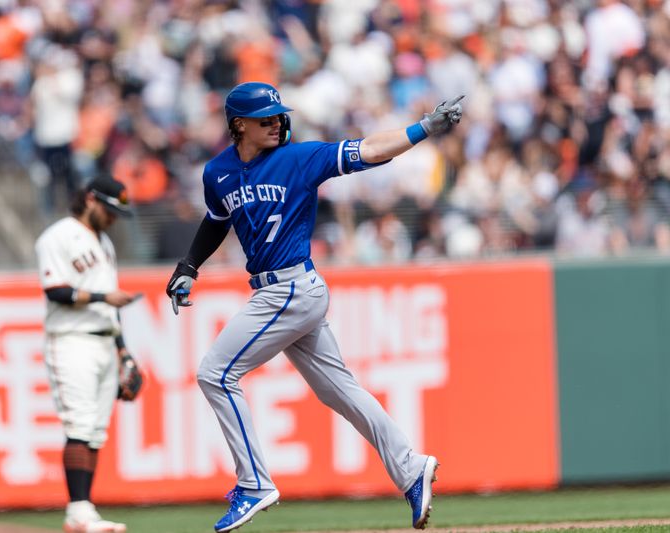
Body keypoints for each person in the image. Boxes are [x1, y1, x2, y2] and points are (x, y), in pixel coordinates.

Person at [166, 82, 463, 531]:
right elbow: (216, 220)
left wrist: (423, 128)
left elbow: (371, 150)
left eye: (277, 115)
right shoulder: (218, 172)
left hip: (290, 288)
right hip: (282, 292)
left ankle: (253, 484)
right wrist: (189, 264)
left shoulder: (299, 158)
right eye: (264, 117)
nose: (275, 122)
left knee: (215, 373)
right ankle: (410, 467)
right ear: (237, 125)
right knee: (338, 390)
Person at [35, 174, 143, 533]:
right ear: (91, 200)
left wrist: (125, 353)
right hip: (71, 339)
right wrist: (102, 298)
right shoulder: (58, 235)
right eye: (110, 210)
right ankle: (78, 512)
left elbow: (110, 304)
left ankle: (84, 511)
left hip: (103, 339)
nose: (113, 219)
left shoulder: (105, 243)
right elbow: (56, 291)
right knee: (79, 424)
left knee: (95, 431)